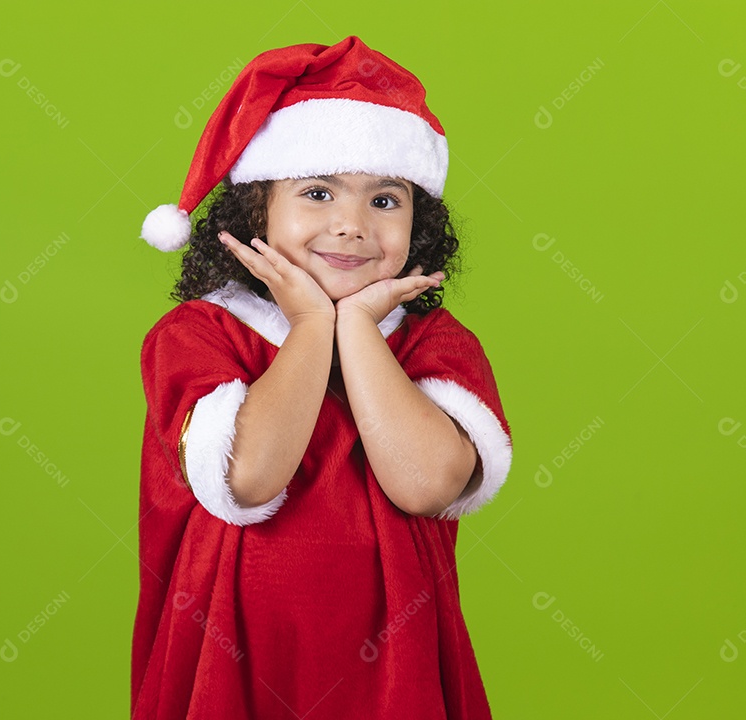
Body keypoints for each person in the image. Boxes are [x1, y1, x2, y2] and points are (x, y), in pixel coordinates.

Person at [134, 35, 513, 719]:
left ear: (418, 221)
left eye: (386, 200)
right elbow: (245, 477)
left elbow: (427, 484)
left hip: (398, 673)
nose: (351, 226)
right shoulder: (196, 337)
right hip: (235, 666)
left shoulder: (434, 342)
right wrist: (311, 329)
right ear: (255, 211)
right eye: (316, 192)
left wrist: (359, 332)